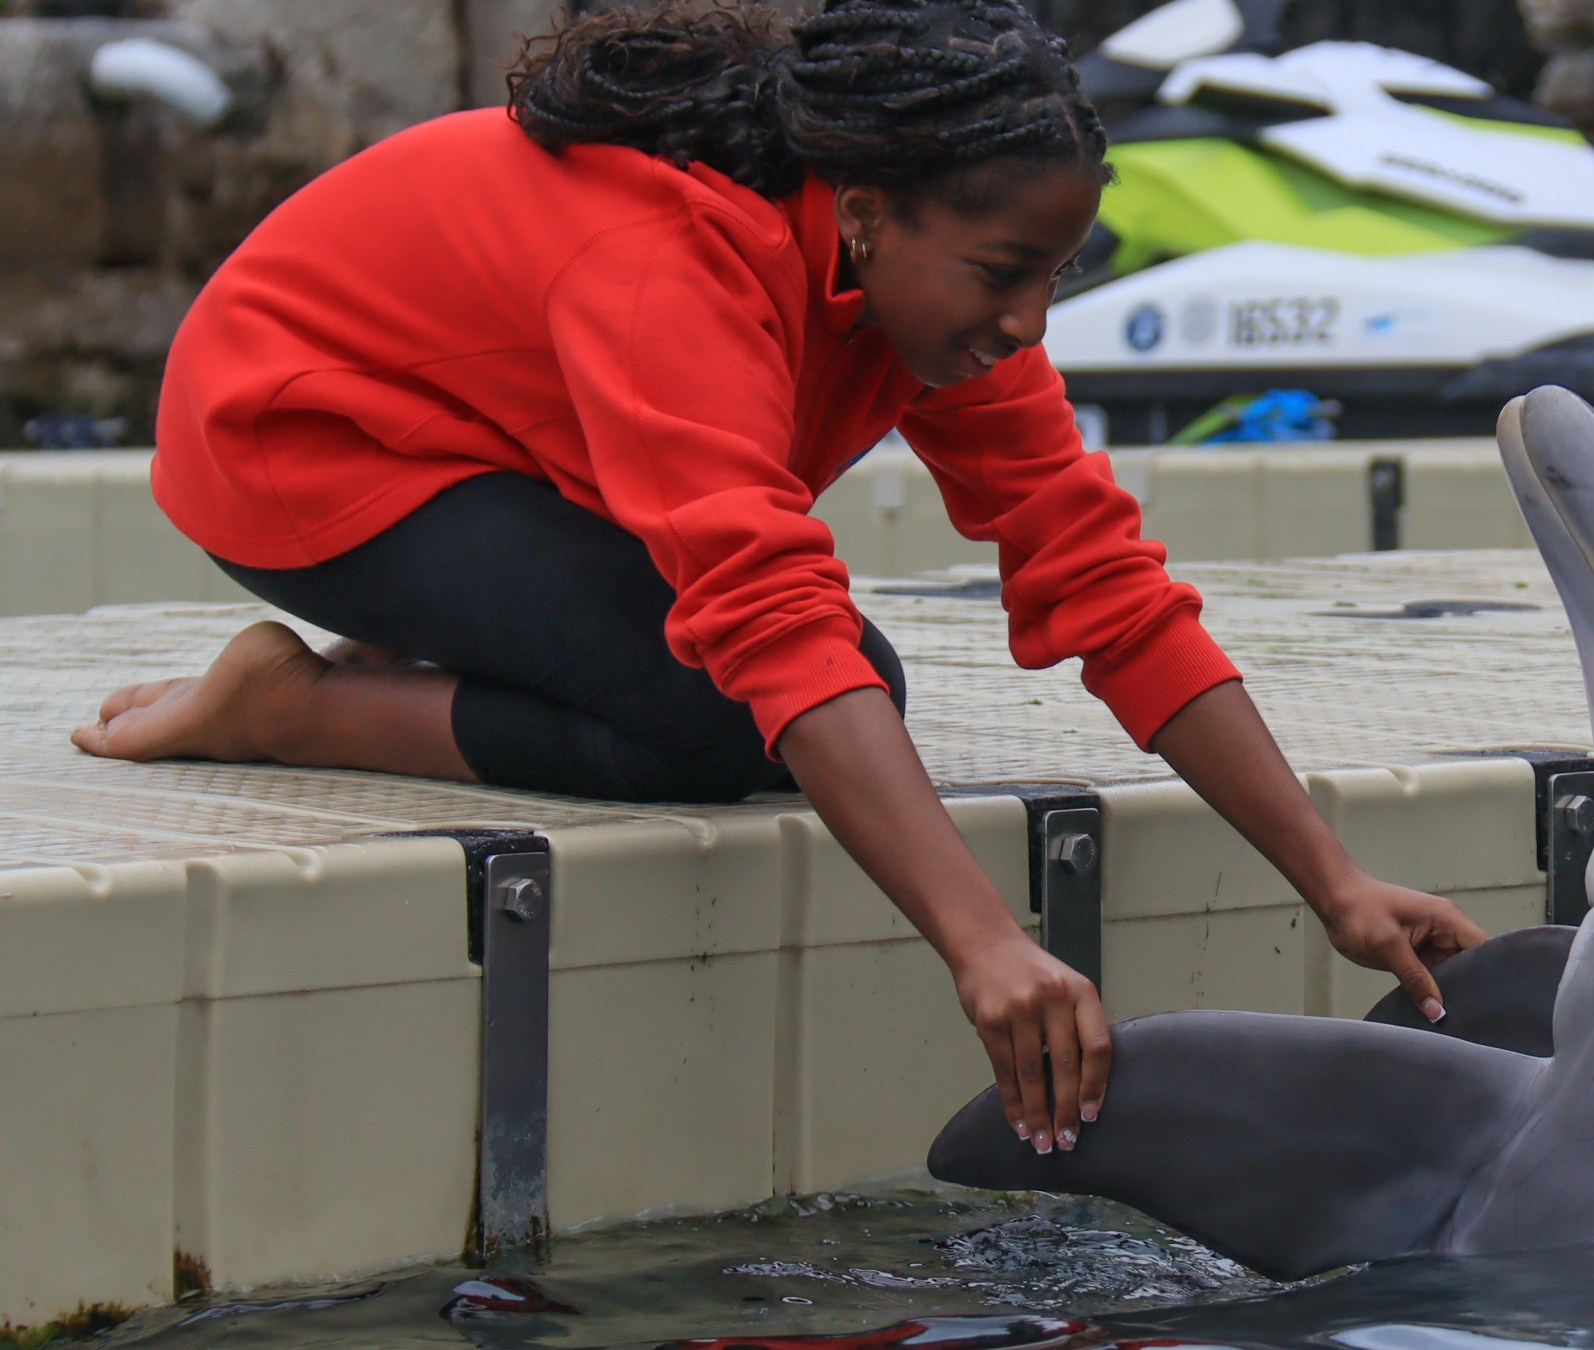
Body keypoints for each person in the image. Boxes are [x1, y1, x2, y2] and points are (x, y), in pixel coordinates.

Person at [72, 0, 1486, 1156]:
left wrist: (1335, 877)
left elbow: (1103, 578)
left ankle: (403, 674)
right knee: (736, 709)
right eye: (1006, 271)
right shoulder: (666, 259)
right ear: (865, 212)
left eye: (1054, 274)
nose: (1029, 320)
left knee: (817, 683)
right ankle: (289, 708)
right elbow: (761, 602)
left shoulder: (922, 291)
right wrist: (982, 942)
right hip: (298, 440)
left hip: (513, 445)